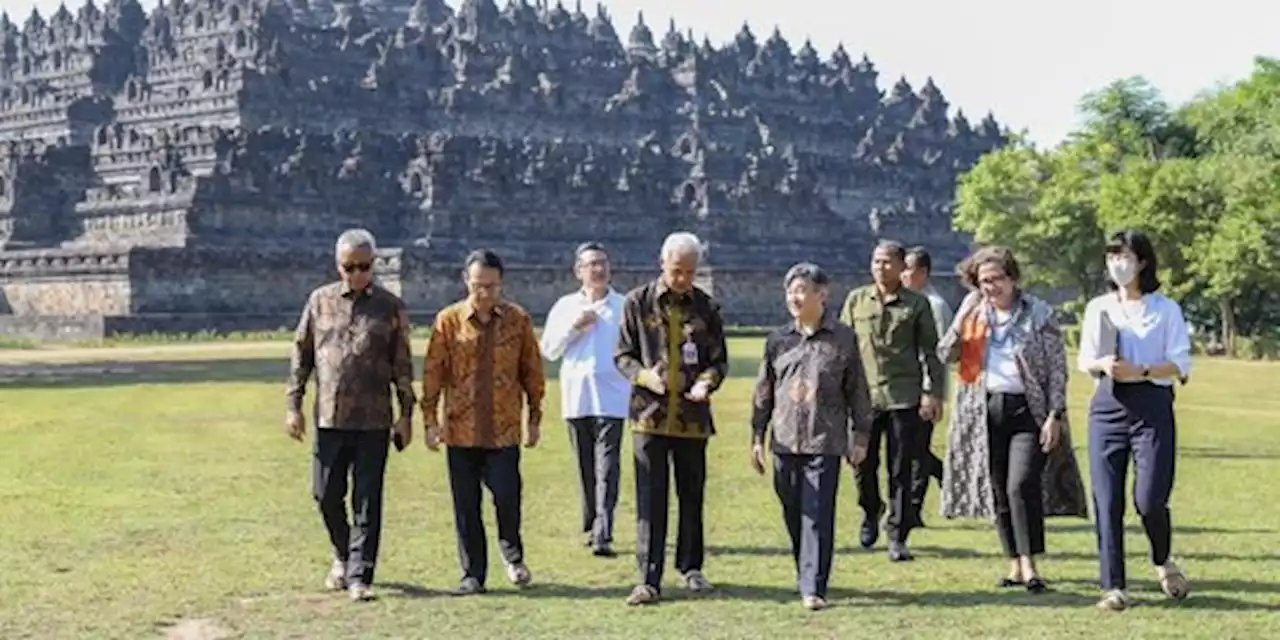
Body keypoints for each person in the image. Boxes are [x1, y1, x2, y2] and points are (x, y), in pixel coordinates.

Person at [936, 246, 1088, 593]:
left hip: (1028, 410)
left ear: (1013, 278)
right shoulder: (974, 313)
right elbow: (946, 354)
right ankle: (1014, 564)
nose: (990, 287)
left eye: (997, 279)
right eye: (983, 281)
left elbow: (1056, 370)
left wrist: (1055, 415)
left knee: (1022, 484)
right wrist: (961, 319)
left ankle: (1031, 562)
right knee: (998, 488)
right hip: (983, 410)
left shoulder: (1038, 313)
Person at [284, 228, 415, 601]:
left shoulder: (390, 306)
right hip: (330, 416)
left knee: (367, 499)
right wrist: (293, 405)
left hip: (374, 419)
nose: (357, 274)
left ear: (374, 265)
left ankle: (361, 575)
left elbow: (402, 364)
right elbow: (301, 355)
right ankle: (343, 554)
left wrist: (406, 413)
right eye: (349, 267)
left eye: (364, 266)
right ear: (337, 265)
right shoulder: (320, 301)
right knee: (325, 494)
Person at [1078, 230, 1192, 611]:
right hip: (1108, 407)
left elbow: (1180, 363)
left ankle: (1162, 559)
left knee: (1149, 499)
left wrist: (1141, 370)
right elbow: (1085, 359)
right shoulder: (1099, 308)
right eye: (1112, 257)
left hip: (1152, 407)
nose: (1117, 264)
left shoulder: (1166, 309)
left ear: (1142, 261)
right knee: (1107, 501)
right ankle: (1113, 586)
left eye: (1124, 256)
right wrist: (1104, 365)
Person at [420, 249, 546, 596]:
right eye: (478, 286)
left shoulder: (518, 321)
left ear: (501, 283)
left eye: (491, 286)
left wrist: (534, 417)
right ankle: (473, 573)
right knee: (466, 505)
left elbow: (532, 372)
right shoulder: (449, 321)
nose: (485, 293)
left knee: (507, 495)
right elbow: (433, 373)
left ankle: (513, 554)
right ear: (466, 282)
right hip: (461, 430)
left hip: (503, 429)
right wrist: (430, 420)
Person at [750, 263, 874, 611]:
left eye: (802, 289)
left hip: (826, 439)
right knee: (793, 511)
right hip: (785, 440)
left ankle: (814, 586)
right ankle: (804, 571)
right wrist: (757, 435)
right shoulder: (778, 340)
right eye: (790, 290)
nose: (794, 296)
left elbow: (858, 392)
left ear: (822, 295)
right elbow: (764, 391)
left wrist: (860, 435)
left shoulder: (843, 338)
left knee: (817, 513)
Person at [615, 231, 729, 606]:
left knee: (691, 494)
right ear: (662, 263)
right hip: (650, 416)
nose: (683, 279)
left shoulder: (707, 308)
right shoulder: (638, 302)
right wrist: (646, 377)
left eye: (690, 272)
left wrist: (707, 382)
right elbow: (623, 355)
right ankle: (649, 578)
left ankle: (691, 567)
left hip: (693, 418)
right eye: (677, 270)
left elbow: (718, 360)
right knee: (651, 498)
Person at [839, 240, 944, 561]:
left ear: (901, 267)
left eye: (887, 262)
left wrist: (933, 392)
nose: (880, 267)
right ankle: (871, 510)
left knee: (901, 468)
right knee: (861, 463)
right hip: (863, 397)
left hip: (903, 396)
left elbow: (931, 352)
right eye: (876, 262)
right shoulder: (857, 300)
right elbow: (842, 347)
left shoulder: (917, 305)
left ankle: (898, 534)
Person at [539, 242, 630, 558]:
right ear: (579, 271)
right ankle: (590, 524)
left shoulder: (624, 306)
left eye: (603, 263)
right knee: (585, 467)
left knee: (608, 467)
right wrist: (575, 327)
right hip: (577, 397)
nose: (598, 269)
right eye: (591, 264)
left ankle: (604, 532)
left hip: (613, 397)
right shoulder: (565, 306)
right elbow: (549, 350)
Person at [901, 247, 951, 491]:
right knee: (911, 448)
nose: (902, 275)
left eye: (907, 269)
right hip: (906, 387)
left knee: (917, 449)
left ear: (922, 273)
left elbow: (939, 353)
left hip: (926, 388)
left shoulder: (935, 306)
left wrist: (935, 393)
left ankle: (914, 507)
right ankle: (946, 478)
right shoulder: (906, 303)